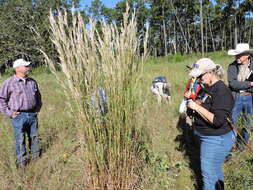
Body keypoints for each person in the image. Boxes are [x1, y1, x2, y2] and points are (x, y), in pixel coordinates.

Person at [187, 58, 236, 190]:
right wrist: (196, 102)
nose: (198, 79)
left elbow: (217, 121)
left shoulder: (222, 91)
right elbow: (204, 101)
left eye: (200, 76)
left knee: (208, 175)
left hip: (216, 139)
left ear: (210, 72)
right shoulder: (207, 87)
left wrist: (196, 108)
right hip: (208, 137)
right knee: (214, 170)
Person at [0, 58, 42, 168]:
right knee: (20, 140)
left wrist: (37, 108)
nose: (28, 68)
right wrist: (10, 113)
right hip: (18, 116)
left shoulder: (32, 81)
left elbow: (38, 97)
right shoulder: (8, 83)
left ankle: (36, 160)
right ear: (18, 68)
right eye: (25, 66)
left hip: (32, 114)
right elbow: (2, 99)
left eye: (27, 66)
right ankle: (22, 164)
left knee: (34, 137)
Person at [227, 43, 253, 150]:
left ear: (247, 55)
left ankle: (242, 146)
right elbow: (233, 84)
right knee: (232, 122)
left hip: (250, 98)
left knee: (248, 123)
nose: (237, 57)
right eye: (236, 55)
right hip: (236, 97)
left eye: (239, 55)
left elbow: (237, 84)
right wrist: (250, 84)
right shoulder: (232, 66)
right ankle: (230, 147)